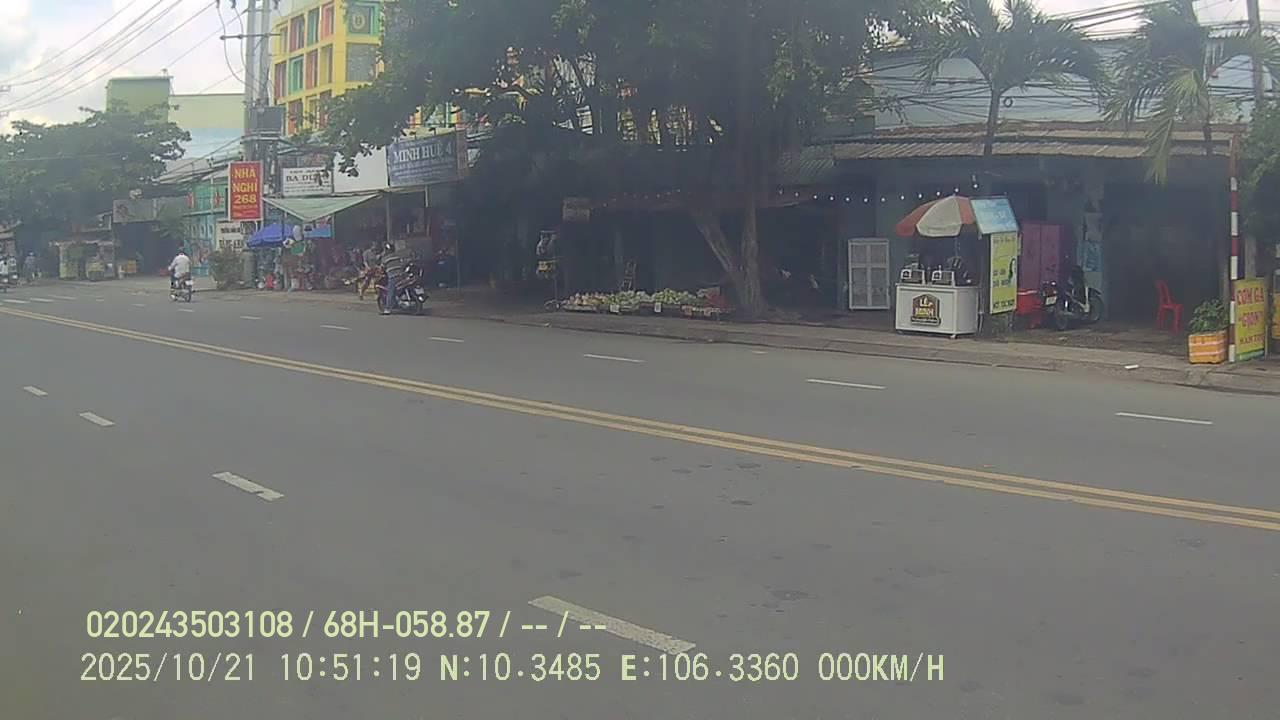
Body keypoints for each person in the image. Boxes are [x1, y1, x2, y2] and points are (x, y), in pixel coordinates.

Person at [379, 242, 407, 315]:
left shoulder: (385, 258)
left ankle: (387, 309)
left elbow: (381, 268)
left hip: (393, 277)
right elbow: (403, 263)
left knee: (390, 292)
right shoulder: (398, 256)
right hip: (402, 276)